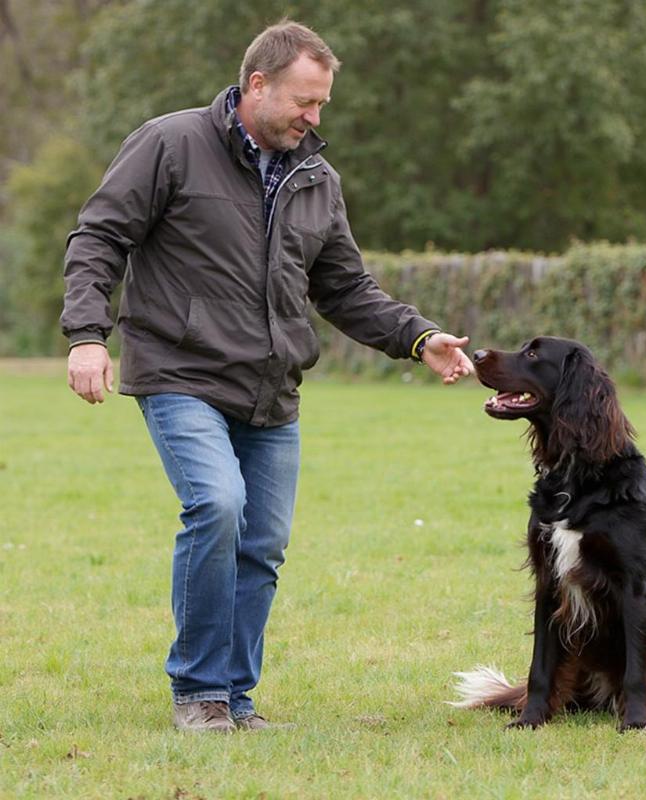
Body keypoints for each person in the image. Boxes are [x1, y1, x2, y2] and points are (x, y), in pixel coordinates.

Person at [61, 20, 473, 733]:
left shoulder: (316, 178)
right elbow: (100, 235)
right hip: (180, 372)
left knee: (262, 545)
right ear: (257, 85)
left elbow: (344, 288)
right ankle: (196, 693)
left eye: (322, 106)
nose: (314, 119)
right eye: (304, 103)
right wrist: (88, 335)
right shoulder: (171, 144)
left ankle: (235, 699)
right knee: (216, 506)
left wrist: (419, 337)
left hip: (272, 390)